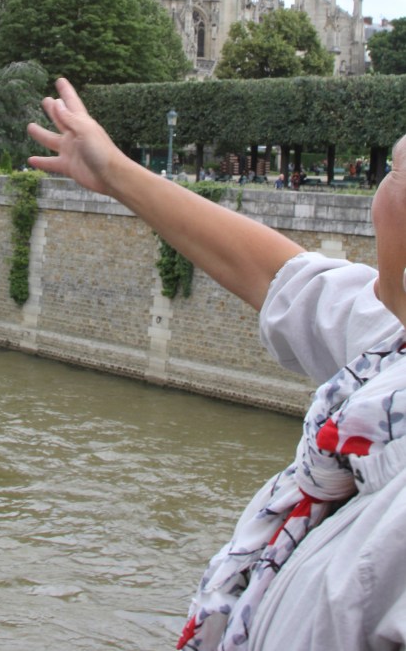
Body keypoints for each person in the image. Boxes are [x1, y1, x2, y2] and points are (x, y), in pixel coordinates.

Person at [27, 78, 406, 651]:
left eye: (394, 172)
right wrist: (114, 172)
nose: (378, 195)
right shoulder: (391, 349)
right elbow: (279, 277)